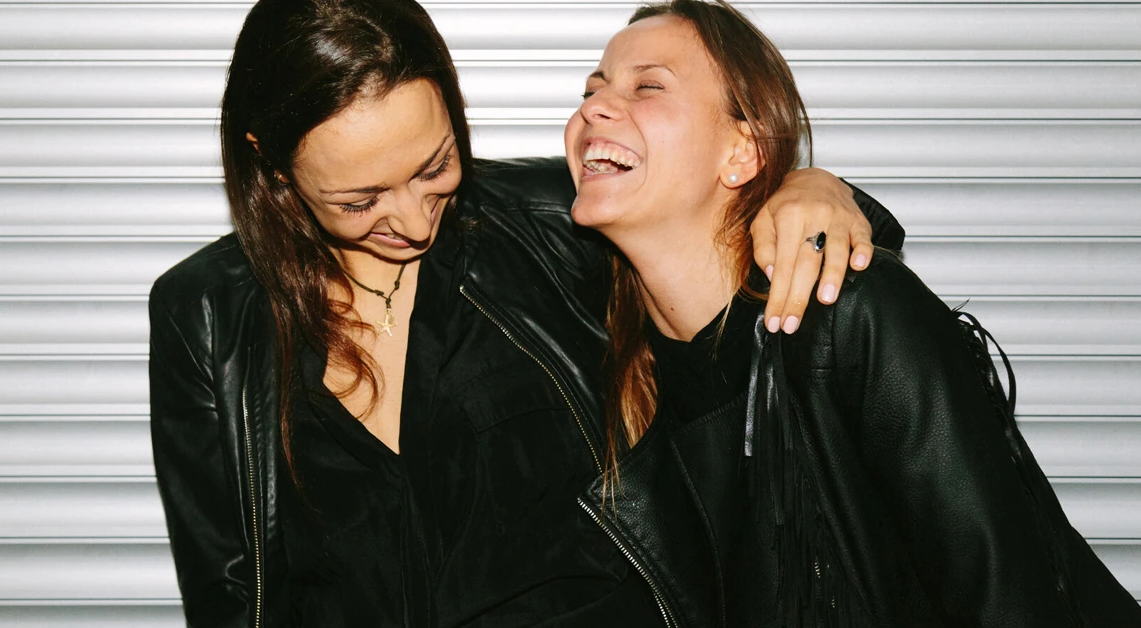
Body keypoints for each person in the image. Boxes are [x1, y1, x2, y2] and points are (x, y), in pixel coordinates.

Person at [147, 0, 905, 625]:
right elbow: (232, 597)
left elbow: (741, 243)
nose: (411, 220)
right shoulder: (205, 316)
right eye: (359, 200)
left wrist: (811, 190)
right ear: (272, 165)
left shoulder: (554, 222)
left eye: (434, 167)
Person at [563, 1, 1141, 626]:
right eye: (591, 90)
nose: (595, 107)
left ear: (742, 153)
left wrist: (815, 183)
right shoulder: (604, 376)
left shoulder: (852, 318)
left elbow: (1011, 600)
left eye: (647, 86)